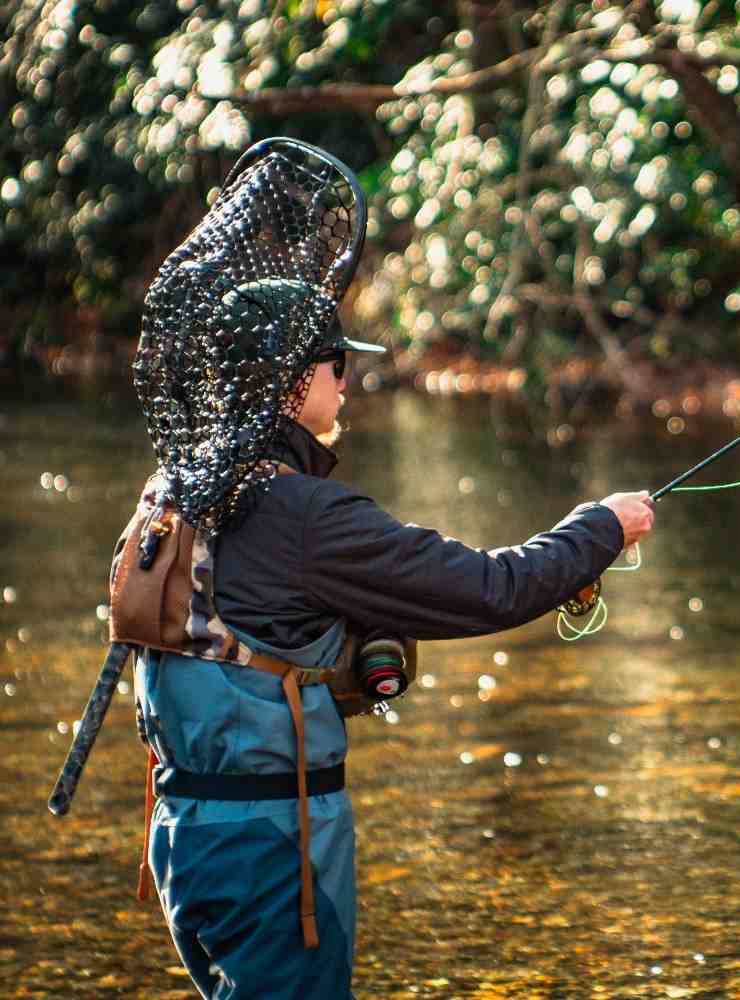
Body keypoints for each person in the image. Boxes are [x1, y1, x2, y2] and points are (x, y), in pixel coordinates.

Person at [121, 138, 655, 997]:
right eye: (339, 369)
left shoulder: (173, 493)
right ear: (294, 384)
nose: (349, 387)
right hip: (274, 844)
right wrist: (604, 526)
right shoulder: (302, 514)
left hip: (184, 832)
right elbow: (493, 588)